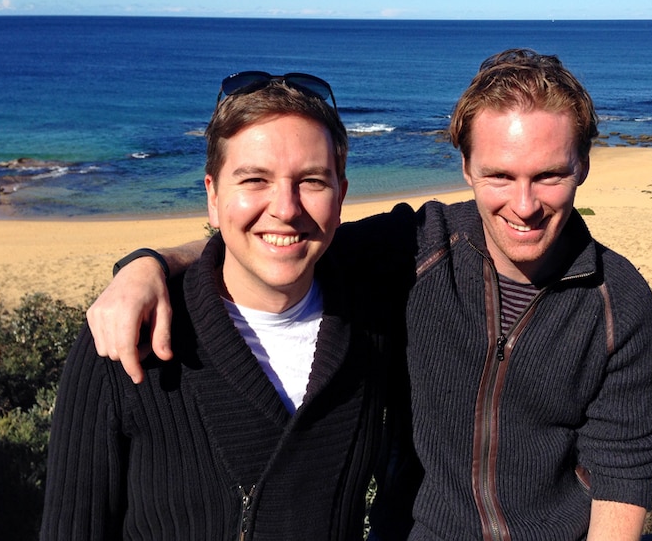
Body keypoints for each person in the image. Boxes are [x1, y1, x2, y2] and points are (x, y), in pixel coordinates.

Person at [87, 49, 652, 540]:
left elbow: (623, 469)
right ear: (464, 166)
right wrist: (149, 264)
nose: (523, 204)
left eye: (548, 175)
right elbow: (281, 237)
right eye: (499, 175)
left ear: (583, 166)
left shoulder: (617, 300)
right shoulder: (414, 247)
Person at [41, 72, 415, 540]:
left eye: (312, 181)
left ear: (341, 196)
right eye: (254, 179)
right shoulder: (129, 338)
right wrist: (146, 263)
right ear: (213, 197)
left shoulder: (371, 313)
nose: (285, 207)